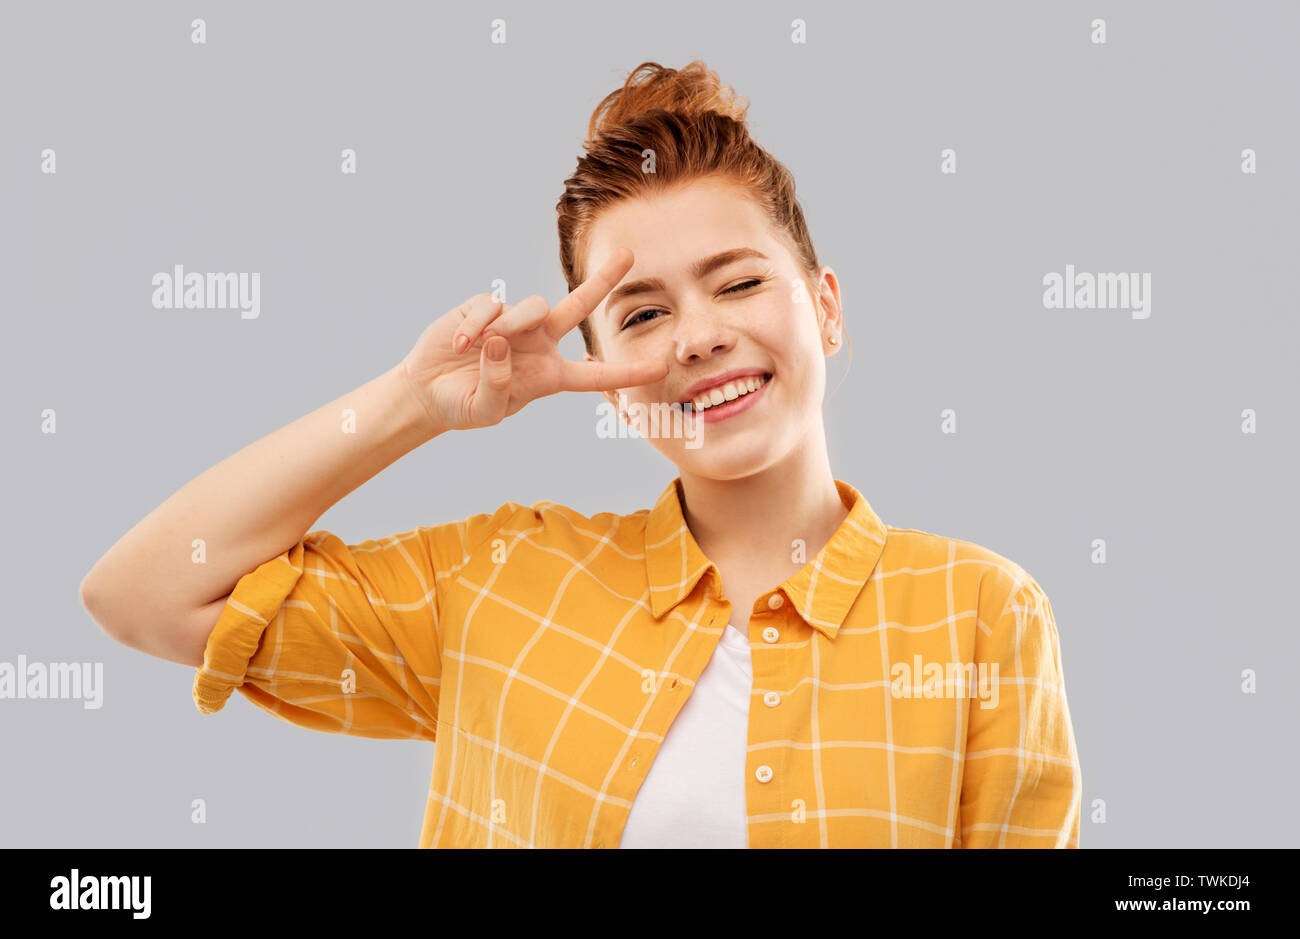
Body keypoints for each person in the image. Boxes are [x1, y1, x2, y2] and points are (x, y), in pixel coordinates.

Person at [81, 60, 1081, 848]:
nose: (696, 338)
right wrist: (413, 403)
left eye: (735, 284)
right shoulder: (504, 583)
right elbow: (145, 594)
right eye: (642, 313)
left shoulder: (980, 614)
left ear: (823, 305)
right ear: (596, 365)